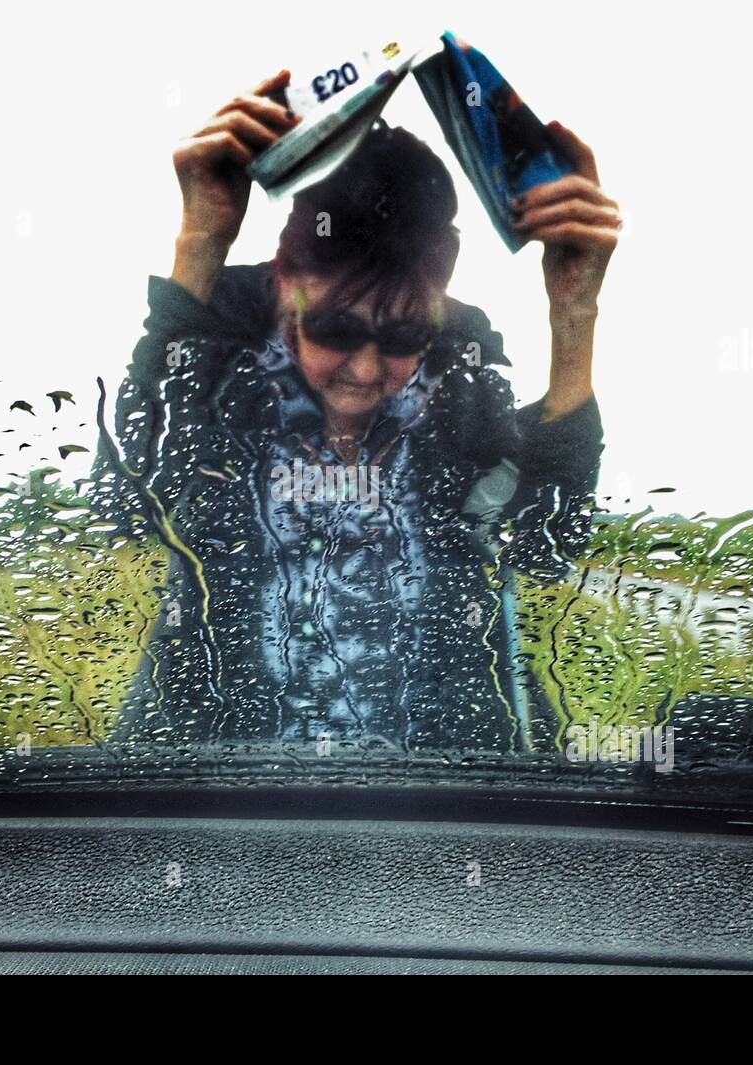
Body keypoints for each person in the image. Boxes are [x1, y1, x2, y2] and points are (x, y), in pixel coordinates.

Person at [94, 69, 620, 755]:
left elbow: (548, 544)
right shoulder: (218, 374)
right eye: (335, 329)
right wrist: (201, 241)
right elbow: (130, 501)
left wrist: (572, 314)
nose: (366, 370)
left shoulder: (461, 383)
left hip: (451, 793)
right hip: (213, 791)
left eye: (405, 337)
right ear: (283, 283)